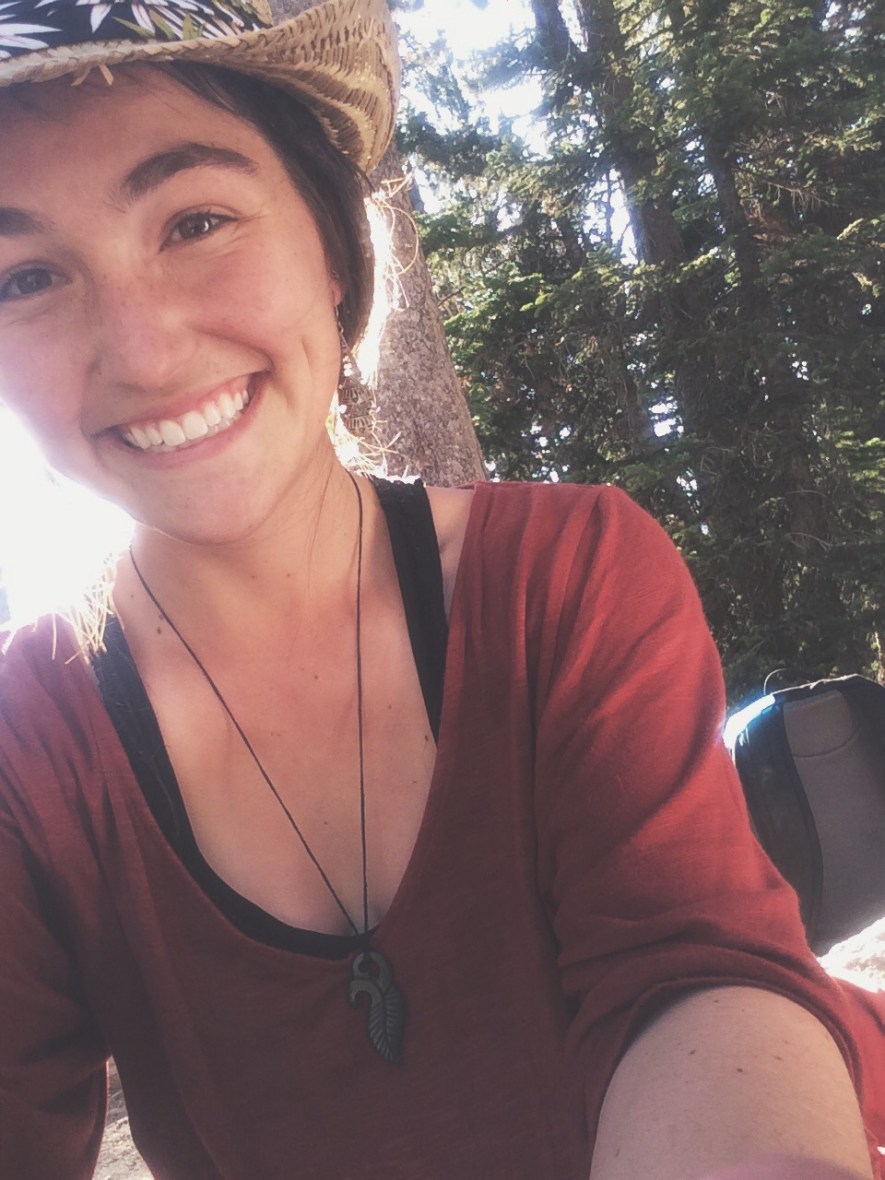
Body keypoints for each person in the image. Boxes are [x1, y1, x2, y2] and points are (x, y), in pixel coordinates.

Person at [0, 0, 881, 1177]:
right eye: (25, 276)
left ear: (331, 246)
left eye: (197, 220)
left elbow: (693, 967)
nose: (145, 350)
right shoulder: (25, 753)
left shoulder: (562, 578)